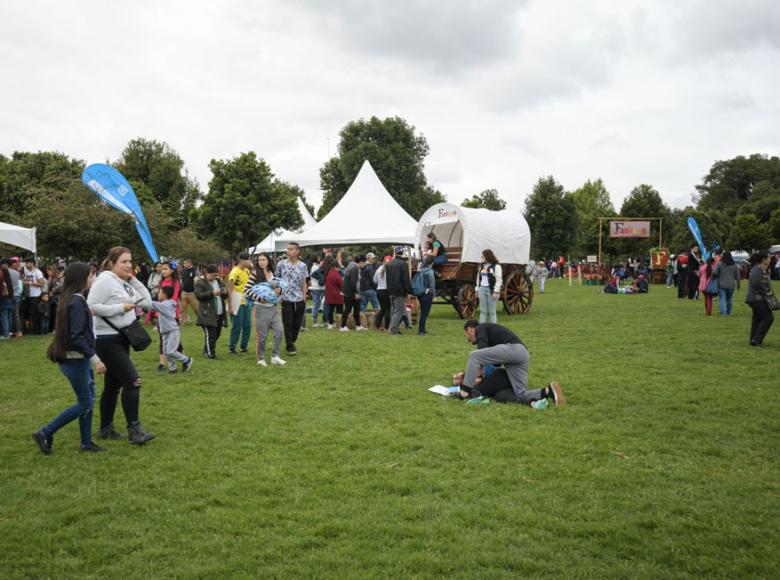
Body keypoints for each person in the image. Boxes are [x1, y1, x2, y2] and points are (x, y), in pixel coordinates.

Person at [32, 263, 108, 454]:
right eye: (91, 276)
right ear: (81, 279)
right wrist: (95, 359)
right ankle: (45, 432)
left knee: (88, 399)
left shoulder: (72, 299)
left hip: (76, 358)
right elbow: (76, 336)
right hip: (74, 359)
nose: (93, 279)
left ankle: (86, 442)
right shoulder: (76, 302)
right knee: (85, 402)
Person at [87, 247, 155, 445]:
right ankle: (135, 430)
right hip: (107, 340)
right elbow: (90, 307)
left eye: (130, 261)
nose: (128, 265)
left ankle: (105, 429)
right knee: (133, 381)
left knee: (112, 386)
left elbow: (147, 303)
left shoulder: (123, 282)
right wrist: (120, 308)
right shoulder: (105, 280)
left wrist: (134, 280)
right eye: (123, 262)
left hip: (122, 338)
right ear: (112, 263)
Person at [461, 320, 565, 406]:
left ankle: (464, 392)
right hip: (522, 355)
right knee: (520, 394)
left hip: (513, 349)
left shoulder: (480, 328)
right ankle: (548, 391)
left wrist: (478, 376)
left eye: (467, 337)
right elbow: (495, 363)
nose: (469, 341)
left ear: (470, 330)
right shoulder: (490, 335)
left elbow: (481, 352)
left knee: (474, 355)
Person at [245, 253, 286, 367]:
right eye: (259, 260)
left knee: (279, 332)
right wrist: (260, 298)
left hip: (274, 308)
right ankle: (260, 358)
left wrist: (280, 291)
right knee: (262, 336)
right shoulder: (255, 274)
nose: (261, 262)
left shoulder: (274, 273)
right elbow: (247, 290)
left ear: (268, 261)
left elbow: (279, 287)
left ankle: (275, 356)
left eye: (263, 259)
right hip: (260, 308)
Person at [150, 285, 193, 374]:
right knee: (166, 351)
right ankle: (172, 369)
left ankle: (186, 360)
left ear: (165, 295)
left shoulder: (166, 305)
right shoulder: (165, 304)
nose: (158, 294)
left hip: (172, 331)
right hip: (165, 331)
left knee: (170, 351)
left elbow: (151, 304)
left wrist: (141, 299)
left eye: (160, 293)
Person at [276, 243, 309, 353]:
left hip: (299, 299)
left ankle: (291, 340)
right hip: (286, 298)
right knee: (288, 322)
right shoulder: (281, 264)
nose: (288, 251)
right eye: (288, 249)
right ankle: (290, 345)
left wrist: (304, 298)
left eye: (291, 249)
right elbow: (277, 281)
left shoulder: (303, 266)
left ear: (297, 251)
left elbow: (304, 283)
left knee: (297, 323)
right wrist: (278, 295)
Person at [195, 264, 227, 359]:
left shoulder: (219, 281)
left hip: (219, 312)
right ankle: (211, 354)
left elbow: (225, 296)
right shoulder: (200, 283)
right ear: (206, 273)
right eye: (212, 275)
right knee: (211, 334)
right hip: (207, 313)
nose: (214, 277)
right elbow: (198, 295)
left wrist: (225, 292)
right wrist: (212, 293)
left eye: (216, 275)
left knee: (217, 334)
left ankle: (207, 350)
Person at [156, 261, 183, 371]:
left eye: (165, 269)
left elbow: (174, 298)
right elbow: (158, 298)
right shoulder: (161, 282)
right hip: (161, 314)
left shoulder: (175, 282)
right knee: (162, 338)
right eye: (162, 269)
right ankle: (162, 363)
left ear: (172, 270)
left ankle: (184, 359)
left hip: (171, 314)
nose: (163, 271)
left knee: (175, 340)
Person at [745, 251, 774, 347]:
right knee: (768, 318)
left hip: (756, 298)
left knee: (757, 319)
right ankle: (756, 340)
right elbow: (756, 283)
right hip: (756, 298)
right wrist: (766, 291)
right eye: (769, 258)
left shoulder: (761, 269)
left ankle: (753, 339)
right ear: (763, 260)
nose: (770, 260)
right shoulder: (758, 269)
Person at [227, 252, 253, 354]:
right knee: (237, 325)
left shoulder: (247, 271)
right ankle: (232, 347)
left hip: (247, 301)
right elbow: (229, 290)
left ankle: (243, 347)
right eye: (248, 260)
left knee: (247, 325)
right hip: (236, 301)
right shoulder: (234, 272)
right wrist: (230, 306)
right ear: (242, 260)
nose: (250, 262)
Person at [386, 246, 412, 335]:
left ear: (395, 253)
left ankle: (393, 328)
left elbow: (387, 279)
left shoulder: (389, 264)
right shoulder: (403, 264)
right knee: (398, 311)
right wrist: (408, 291)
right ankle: (393, 330)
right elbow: (406, 279)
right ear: (402, 253)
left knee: (393, 310)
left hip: (390, 290)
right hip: (400, 291)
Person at [477, 249, 503, 324]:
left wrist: (496, 291)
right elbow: (478, 278)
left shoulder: (496, 266)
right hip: (482, 289)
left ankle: (493, 329)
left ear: (487, 256)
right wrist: (477, 289)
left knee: (492, 311)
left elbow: (499, 280)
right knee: (483, 310)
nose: (482, 257)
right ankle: (481, 329)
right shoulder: (481, 266)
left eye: (483, 256)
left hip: (491, 290)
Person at [340, 255, 364, 331]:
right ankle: (343, 326)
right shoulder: (354, 268)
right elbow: (353, 282)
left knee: (356, 308)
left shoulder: (351, 265)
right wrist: (356, 293)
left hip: (349, 291)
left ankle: (358, 325)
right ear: (361, 262)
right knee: (348, 309)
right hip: (350, 292)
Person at [22, 256, 46, 334]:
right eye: (25, 263)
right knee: (30, 313)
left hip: (36, 295)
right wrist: (25, 282)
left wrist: (30, 283)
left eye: (27, 263)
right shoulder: (27, 272)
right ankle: (32, 329)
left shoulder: (37, 272)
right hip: (29, 295)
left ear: (32, 263)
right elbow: (26, 280)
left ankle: (37, 330)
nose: (26, 264)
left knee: (35, 313)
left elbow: (42, 283)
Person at [714, 251, 740, 316]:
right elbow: (738, 277)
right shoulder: (735, 265)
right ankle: (729, 312)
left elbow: (714, 272)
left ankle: (723, 313)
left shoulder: (719, 264)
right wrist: (738, 286)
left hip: (721, 285)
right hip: (731, 285)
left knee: (722, 298)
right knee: (730, 299)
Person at [322, 256, 343, 329]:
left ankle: (330, 324)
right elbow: (341, 284)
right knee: (339, 310)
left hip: (330, 295)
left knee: (331, 310)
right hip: (337, 295)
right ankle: (339, 324)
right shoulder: (337, 274)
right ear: (336, 267)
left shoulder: (329, 273)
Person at [416, 255, 436, 335]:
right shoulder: (430, 272)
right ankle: (420, 330)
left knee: (423, 312)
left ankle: (423, 329)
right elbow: (432, 285)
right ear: (431, 263)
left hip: (420, 293)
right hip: (427, 294)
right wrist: (434, 296)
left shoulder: (421, 270)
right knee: (425, 313)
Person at [373, 256, 392, 331]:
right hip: (386, 290)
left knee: (382, 309)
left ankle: (377, 325)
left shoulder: (378, 269)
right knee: (388, 309)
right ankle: (386, 327)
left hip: (379, 291)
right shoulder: (389, 269)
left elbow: (374, 281)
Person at [359, 252, 379, 320]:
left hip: (362, 289)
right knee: (377, 307)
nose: (374, 260)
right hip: (370, 289)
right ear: (368, 259)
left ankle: (362, 323)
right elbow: (372, 280)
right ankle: (378, 323)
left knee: (362, 308)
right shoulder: (369, 267)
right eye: (372, 258)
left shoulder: (361, 266)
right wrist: (375, 288)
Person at [0, 259, 16, 339]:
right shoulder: (11, 274)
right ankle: (9, 332)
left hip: (4, 297)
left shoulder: (3, 274)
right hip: (11, 296)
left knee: (3, 315)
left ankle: (6, 334)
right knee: (8, 315)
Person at [179, 259, 198, 325]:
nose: (184, 265)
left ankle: (201, 320)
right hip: (184, 292)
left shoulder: (195, 270)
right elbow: (182, 280)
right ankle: (184, 322)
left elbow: (197, 280)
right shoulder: (183, 270)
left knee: (196, 309)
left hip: (192, 293)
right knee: (182, 308)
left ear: (189, 263)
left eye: (185, 263)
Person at [308, 255, 325, 328]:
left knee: (317, 304)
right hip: (316, 287)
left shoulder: (314, 266)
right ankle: (314, 320)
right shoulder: (316, 267)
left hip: (316, 287)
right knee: (316, 304)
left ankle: (315, 319)